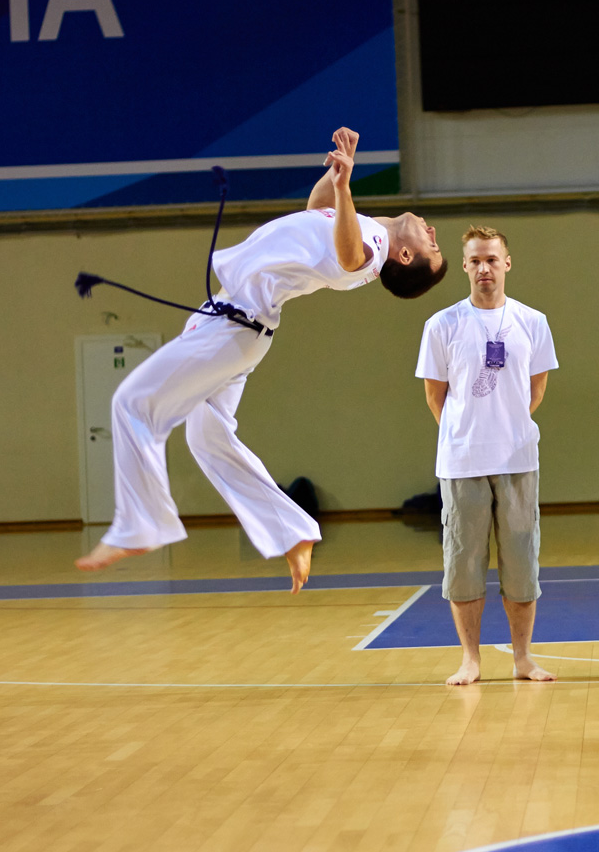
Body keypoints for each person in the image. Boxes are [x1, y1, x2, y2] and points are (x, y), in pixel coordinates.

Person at [75, 126, 447, 592]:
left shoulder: (370, 249)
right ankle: (293, 532)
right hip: (235, 322)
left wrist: (346, 188)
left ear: (405, 255)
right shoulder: (360, 225)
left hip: (235, 325)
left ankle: (140, 526)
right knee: (206, 436)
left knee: (132, 403)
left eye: (432, 245)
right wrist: (337, 176)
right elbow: (317, 212)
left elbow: (349, 256)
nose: (433, 232)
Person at [416, 225, 558, 684]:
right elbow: (435, 396)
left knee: (521, 565)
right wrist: (467, 434)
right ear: (464, 266)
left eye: (492, 259)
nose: (484, 268)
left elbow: (536, 389)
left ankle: (523, 658)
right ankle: (470, 660)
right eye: (475, 260)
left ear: (507, 263)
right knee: (463, 566)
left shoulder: (532, 322)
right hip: (462, 464)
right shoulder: (442, 325)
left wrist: (505, 426)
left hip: (519, 460)